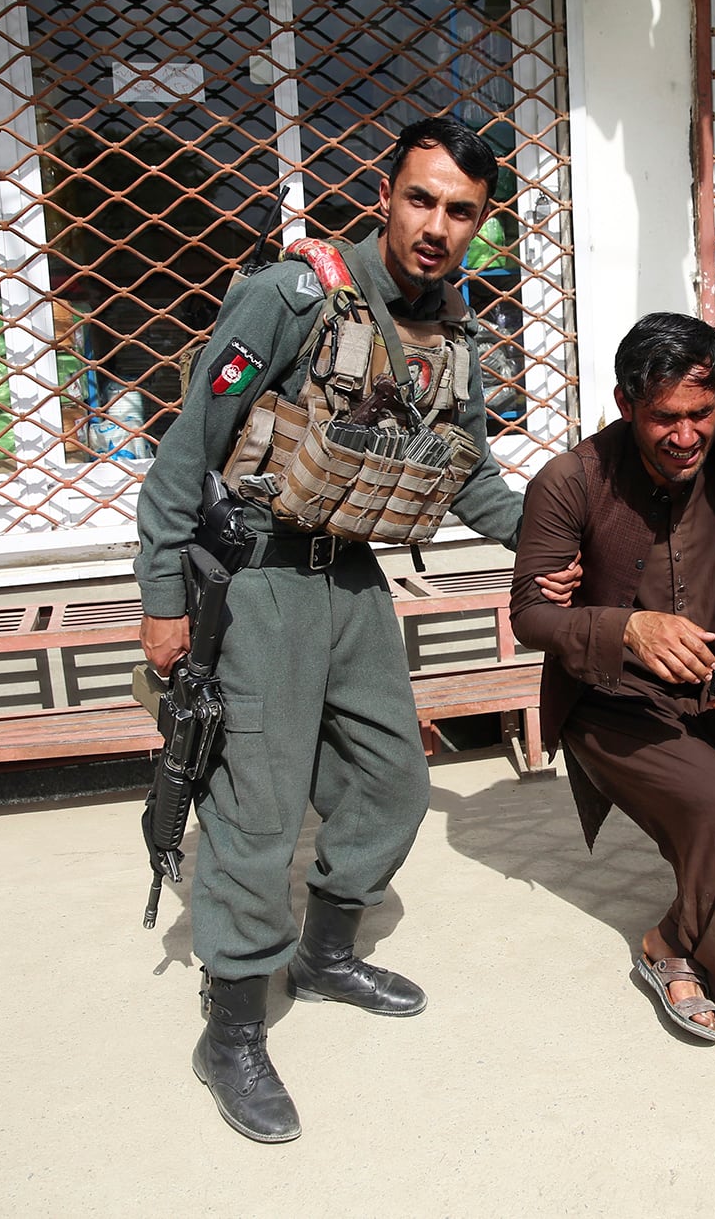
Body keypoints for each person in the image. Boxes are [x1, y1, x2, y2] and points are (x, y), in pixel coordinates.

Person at [135, 117, 570, 1144]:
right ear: (385, 194)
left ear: (480, 223)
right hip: (261, 586)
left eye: (459, 211)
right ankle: (231, 1025)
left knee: (391, 782)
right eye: (420, 199)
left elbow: (468, 475)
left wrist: (553, 546)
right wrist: (160, 596)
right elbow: (186, 444)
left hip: (356, 583)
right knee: (256, 808)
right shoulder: (292, 295)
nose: (436, 226)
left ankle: (325, 955)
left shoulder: (452, 329)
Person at [509, 312, 715, 1047]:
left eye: (702, 412)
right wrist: (626, 628)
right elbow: (530, 615)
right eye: (665, 417)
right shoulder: (571, 480)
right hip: (611, 700)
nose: (687, 435)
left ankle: (672, 940)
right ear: (628, 404)